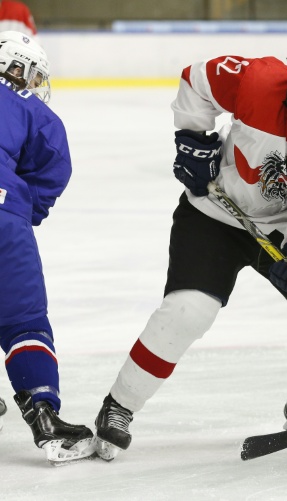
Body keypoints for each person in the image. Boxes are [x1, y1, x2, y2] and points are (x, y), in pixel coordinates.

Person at [92, 39, 287, 461]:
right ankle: (118, 408)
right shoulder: (260, 80)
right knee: (188, 311)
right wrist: (192, 137)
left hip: (281, 227)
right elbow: (197, 78)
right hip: (214, 211)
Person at [0, 30, 95, 464]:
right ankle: (43, 416)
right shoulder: (38, 114)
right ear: (22, 69)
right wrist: (19, 212)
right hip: (3, 219)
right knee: (24, 322)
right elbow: (53, 170)